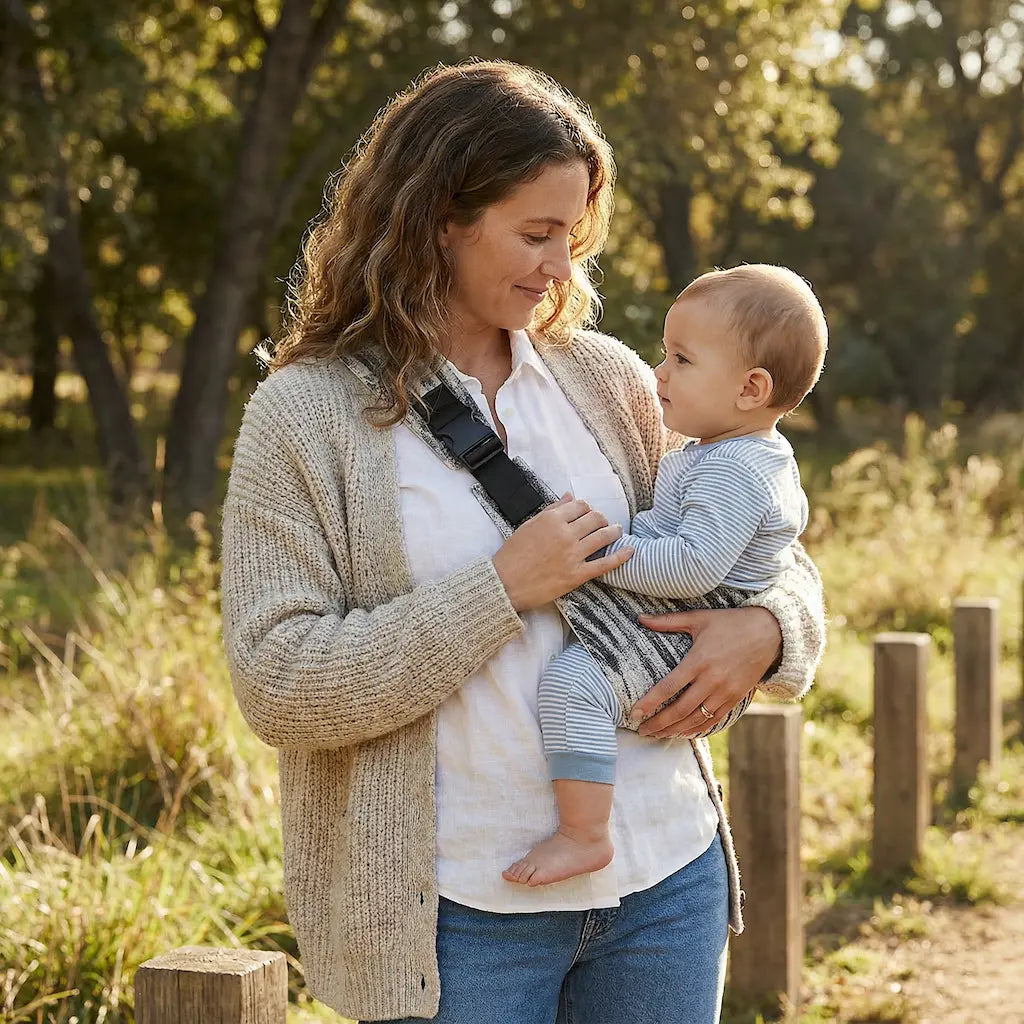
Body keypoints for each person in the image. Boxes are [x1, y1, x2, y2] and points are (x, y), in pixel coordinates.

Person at [220, 60, 825, 1024]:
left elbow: (758, 526)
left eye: (571, 237)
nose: (560, 269)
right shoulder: (308, 416)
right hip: (459, 916)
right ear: (438, 217)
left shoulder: (612, 380)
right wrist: (501, 587)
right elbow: (276, 682)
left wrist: (768, 630)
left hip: (664, 878)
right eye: (535, 233)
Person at [504, 264, 826, 889]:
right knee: (572, 681)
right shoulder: (719, 450)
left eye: (681, 359)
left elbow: (691, 566)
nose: (660, 375)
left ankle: (583, 833)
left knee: (574, 685)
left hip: (684, 633)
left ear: (751, 388)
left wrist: (603, 552)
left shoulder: (738, 467)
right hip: (675, 620)